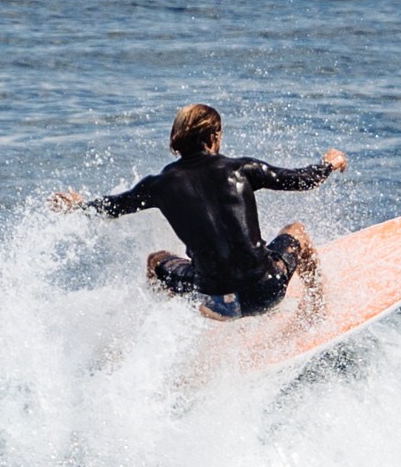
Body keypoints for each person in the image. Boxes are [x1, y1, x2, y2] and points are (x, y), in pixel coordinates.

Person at [50, 103, 347, 319]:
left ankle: (166, 326)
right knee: (297, 232)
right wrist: (329, 163)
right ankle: (317, 311)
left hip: (216, 302)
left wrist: (78, 207)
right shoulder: (242, 170)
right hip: (268, 291)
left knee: (157, 262)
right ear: (213, 137)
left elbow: (112, 208)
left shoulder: (159, 186)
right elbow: (303, 180)